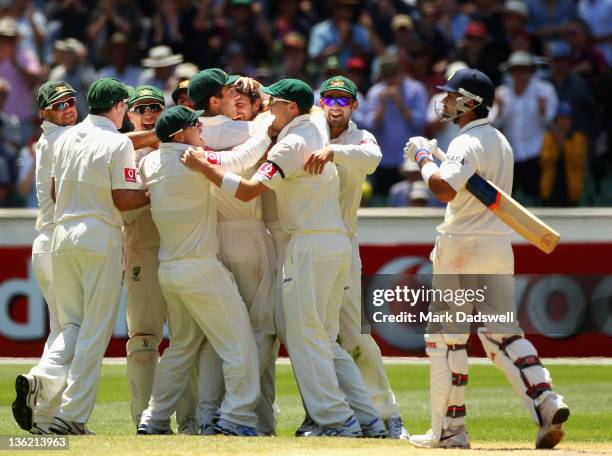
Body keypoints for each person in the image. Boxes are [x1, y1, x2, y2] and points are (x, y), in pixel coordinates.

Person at [181, 78, 385, 438]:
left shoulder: (291, 144)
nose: (265, 109)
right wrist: (259, 92)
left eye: (271, 104)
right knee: (322, 337)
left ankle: (338, 421)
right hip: (332, 243)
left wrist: (205, 168)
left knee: (306, 337)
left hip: (308, 246)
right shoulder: (317, 121)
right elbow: (299, 107)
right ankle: (368, 419)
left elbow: (247, 191)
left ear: (291, 108)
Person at [404, 68, 569, 449]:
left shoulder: (466, 144)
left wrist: (423, 157)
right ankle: (546, 400)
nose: (444, 101)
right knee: (501, 334)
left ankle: (450, 431)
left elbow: (445, 190)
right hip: (496, 246)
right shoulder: (499, 141)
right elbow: (472, 187)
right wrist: (439, 155)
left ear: (468, 102)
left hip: (461, 247)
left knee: (448, 341)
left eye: (450, 95)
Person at [18, 78, 150, 435]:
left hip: (62, 234)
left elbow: (57, 191)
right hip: (98, 235)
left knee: (71, 327)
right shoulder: (114, 142)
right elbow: (124, 200)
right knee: (92, 331)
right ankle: (71, 415)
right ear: (121, 106)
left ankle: (43, 396)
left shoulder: (63, 140)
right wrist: (157, 192)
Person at [136, 106, 265, 437]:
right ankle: (238, 417)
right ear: (180, 135)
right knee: (239, 345)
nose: (202, 130)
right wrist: (267, 129)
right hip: (201, 269)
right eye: (196, 125)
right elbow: (239, 161)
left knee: (180, 348)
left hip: (171, 272)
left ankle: (154, 419)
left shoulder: (150, 162)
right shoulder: (192, 160)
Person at [303, 76, 409, 439]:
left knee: (353, 336)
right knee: (313, 337)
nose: (335, 105)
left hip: (343, 245)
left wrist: (333, 152)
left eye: (342, 100)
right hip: (302, 245)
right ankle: (322, 415)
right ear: (320, 103)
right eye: (329, 98)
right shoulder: (305, 131)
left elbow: (374, 159)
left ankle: (387, 413)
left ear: (353, 106)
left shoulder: (359, 137)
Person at [187, 69, 278, 436]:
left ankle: (208, 417)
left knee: (216, 334)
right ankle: (238, 414)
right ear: (215, 99)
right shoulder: (248, 132)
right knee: (260, 329)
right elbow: (294, 117)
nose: (235, 99)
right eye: (229, 92)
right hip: (249, 236)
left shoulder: (193, 134)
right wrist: (265, 101)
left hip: (211, 239)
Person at [11, 81, 78, 435]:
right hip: (59, 241)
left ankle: (46, 419)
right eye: (59, 104)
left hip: (48, 242)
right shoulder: (62, 139)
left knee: (61, 331)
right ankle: (40, 379)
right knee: (77, 330)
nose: (68, 107)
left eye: (71, 101)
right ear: (43, 113)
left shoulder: (52, 139)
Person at [493, 51, 558, 203]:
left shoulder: (544, 90)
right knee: (508, 202)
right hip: (510, 155)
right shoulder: (501, 93)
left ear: (531, 71)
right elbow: (494, 124)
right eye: (515, 69)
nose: (520, 74)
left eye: (524, 69)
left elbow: (550, 122)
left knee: (537, 199)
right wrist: (500, 110)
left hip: (536, 153)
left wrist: (542, 111)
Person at [540, 102, 587, 206]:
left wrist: (564, 144)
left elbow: (577, 161)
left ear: (571, 121)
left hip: (571, 191)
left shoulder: (578, 138)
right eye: (561, 119)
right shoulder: (549, 138)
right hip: (550, 190)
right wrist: (557, 145)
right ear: (556, 120)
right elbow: (545, 161)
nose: (563, 122)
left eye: (566, 119)